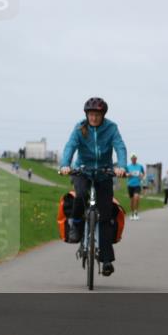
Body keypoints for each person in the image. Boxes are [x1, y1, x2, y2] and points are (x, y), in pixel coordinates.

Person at [58, 98, 128, 275]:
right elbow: (70, 147)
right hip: (83, 171)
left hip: (104, 174)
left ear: (103, 115)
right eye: (91, 114)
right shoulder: (80, 128)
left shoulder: (111, 128)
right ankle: (75, 224)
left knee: (104, 216)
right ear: (86, 114)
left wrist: (121, 166)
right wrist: (65, 165)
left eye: (97, 115)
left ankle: (106, 261)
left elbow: (120, 147)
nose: (94, 118)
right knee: (80, 195)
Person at [126, 154, 146, 220]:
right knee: (132, 200)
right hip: (130, 185)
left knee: (136, 198)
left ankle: (136, 212)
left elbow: (143, 174)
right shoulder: (128, 166)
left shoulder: (140, 166)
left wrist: (141, 176)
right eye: (132, 158)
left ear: (136, 159)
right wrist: (129, 174)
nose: (134, 159)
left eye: (135, 158)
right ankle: (132, 213)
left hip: (137, 185)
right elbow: (125, 174)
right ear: (131, 159)